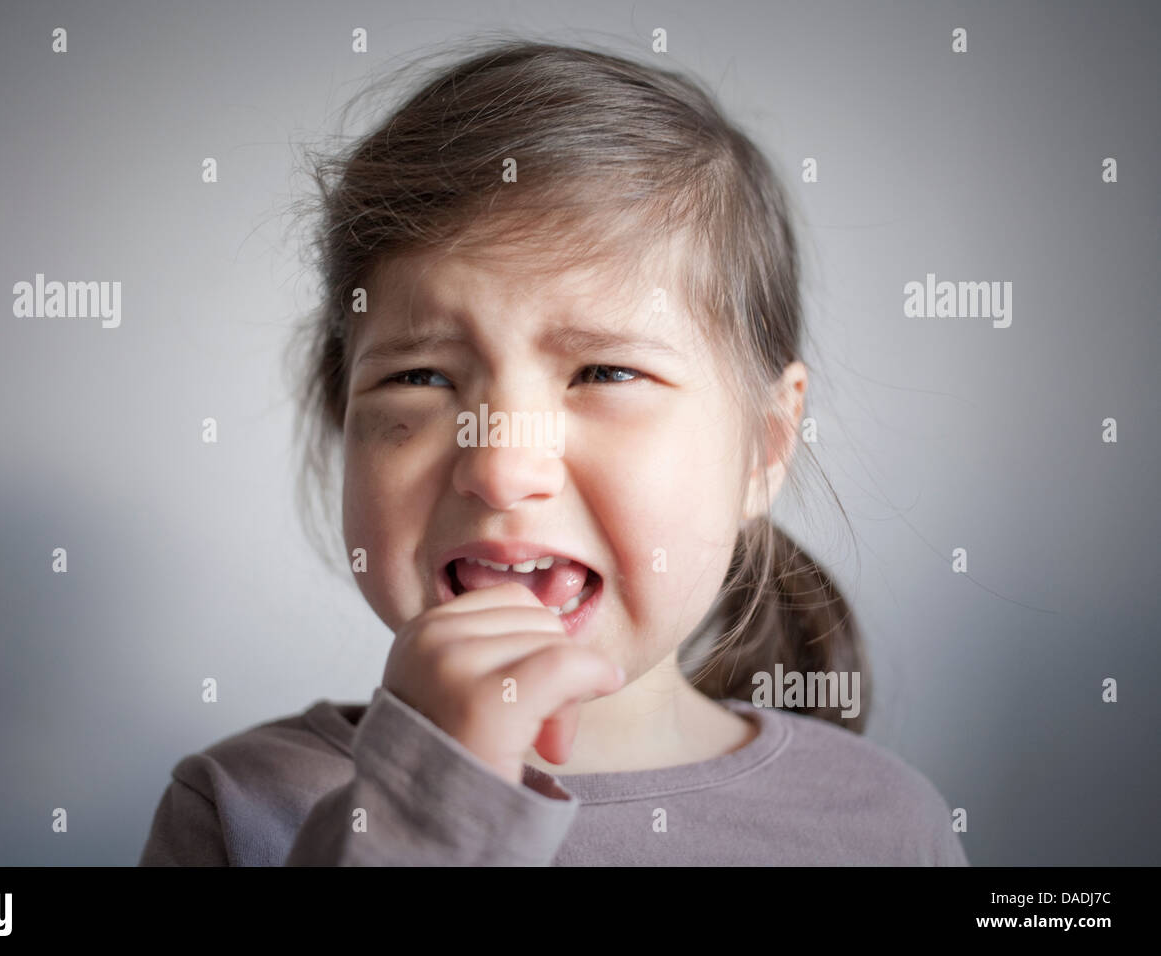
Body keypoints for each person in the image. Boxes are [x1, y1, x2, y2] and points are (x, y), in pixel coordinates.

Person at [139, 37, 968, 866]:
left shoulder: (887, 826)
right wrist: (421, 808)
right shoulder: (241, 810)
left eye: (604, 372)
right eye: (422, 377)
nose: (499, 464)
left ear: (764, 446)